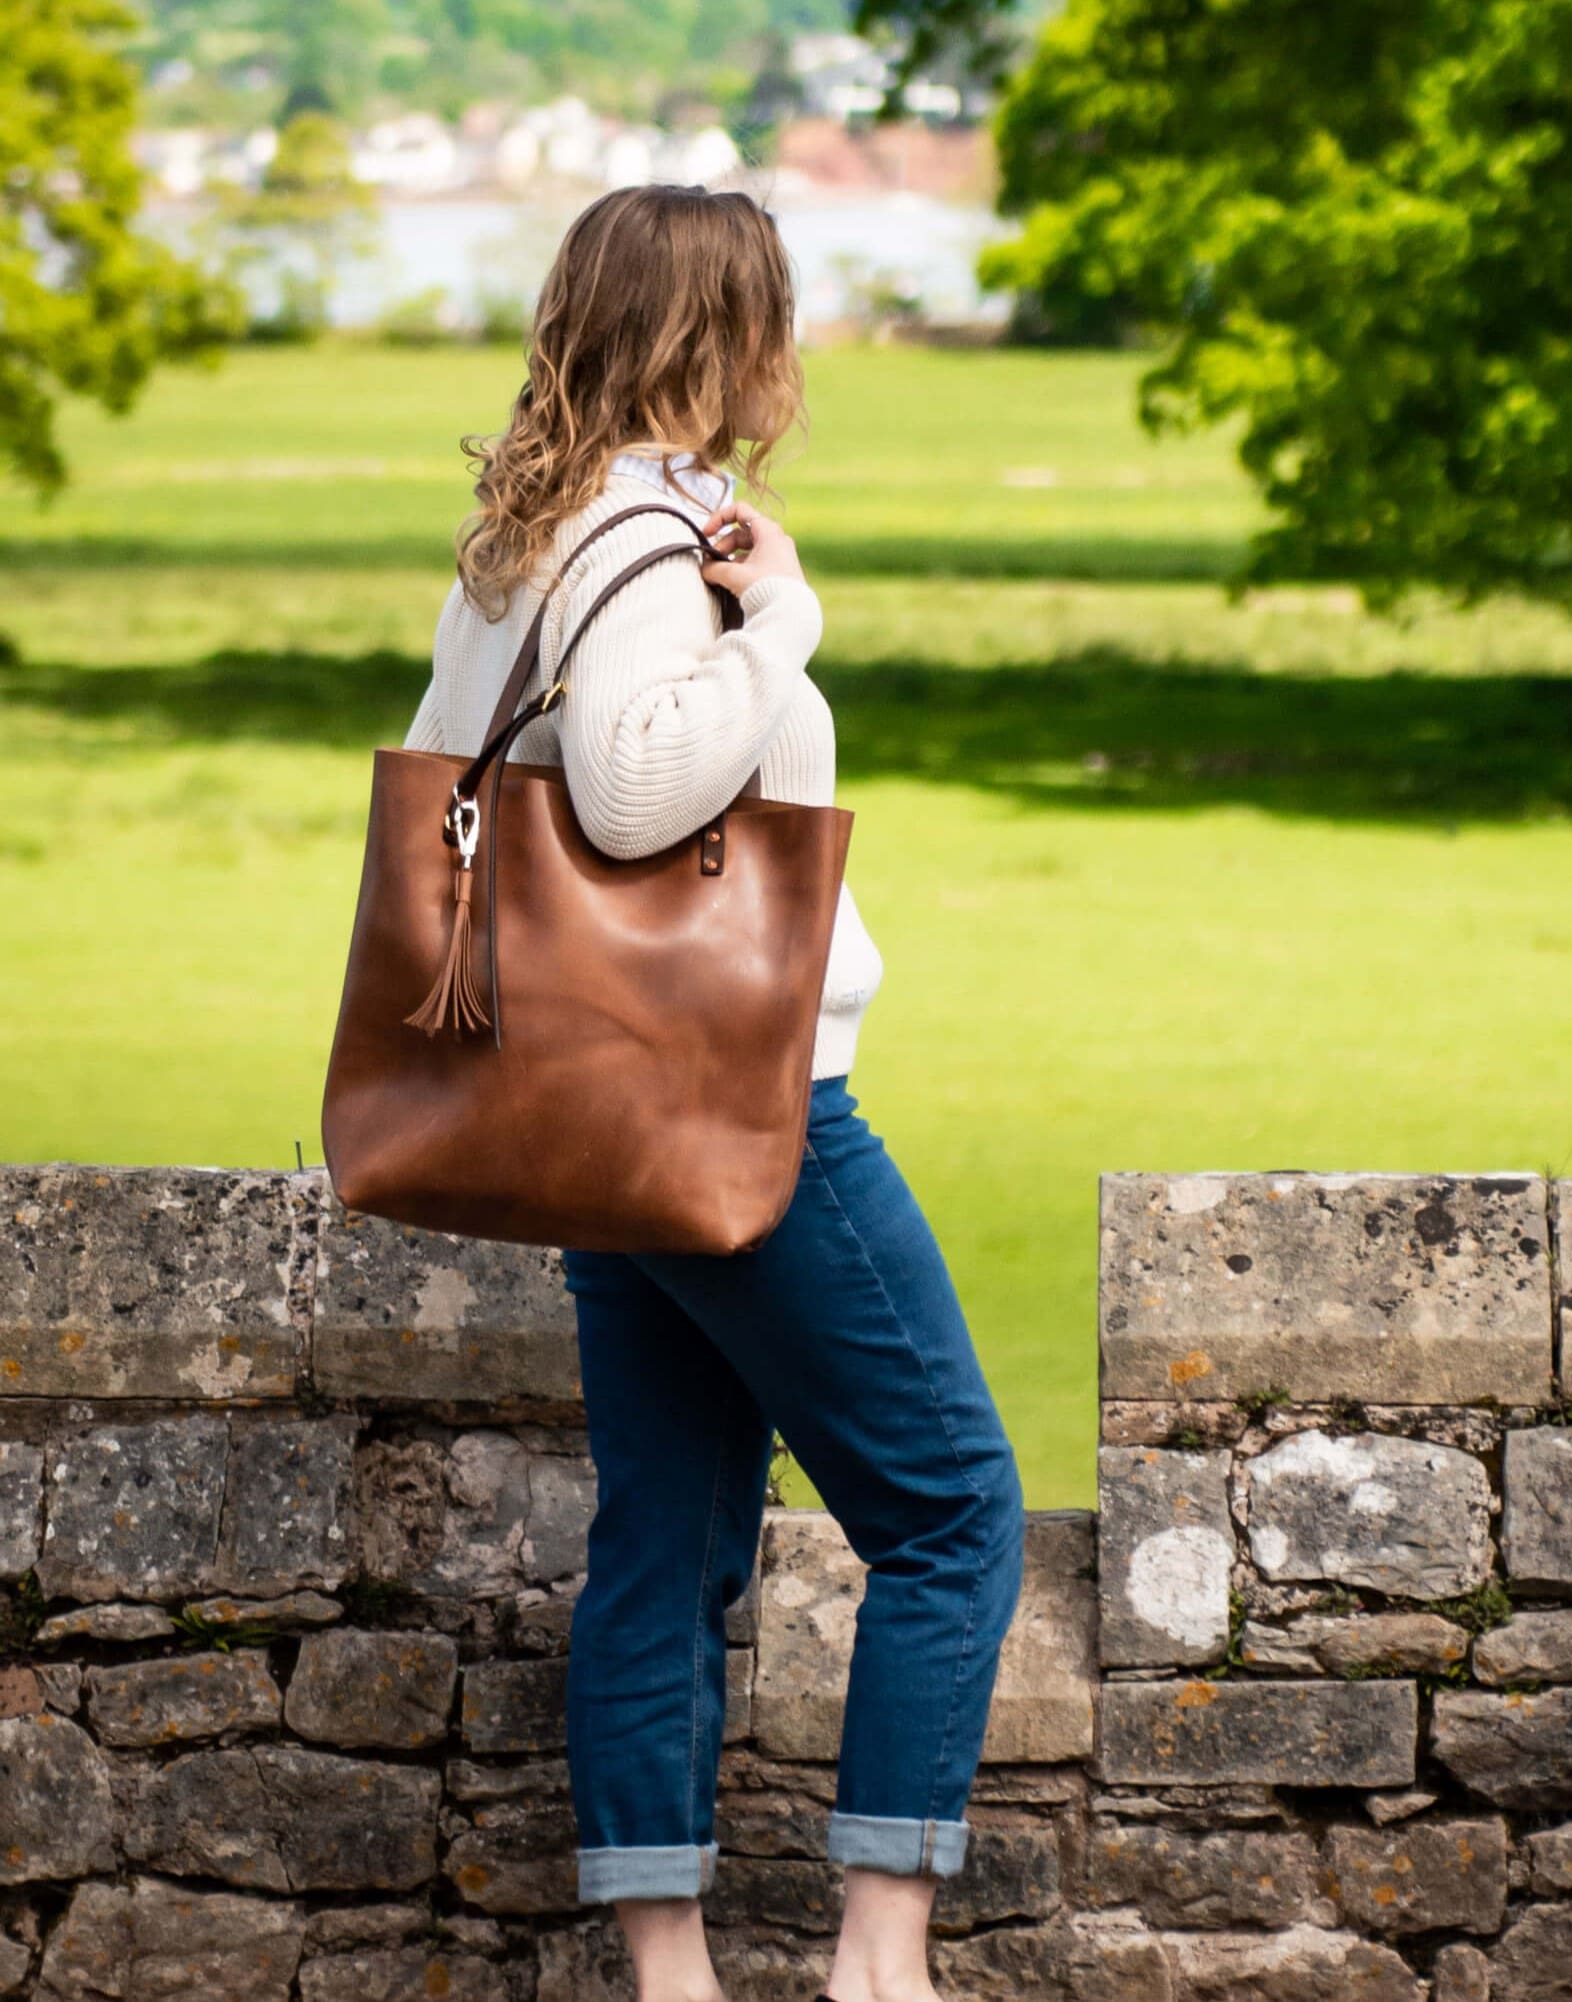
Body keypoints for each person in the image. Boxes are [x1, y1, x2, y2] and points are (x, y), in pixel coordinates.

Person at [401, 183, 1026, 2002]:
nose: (792, 353)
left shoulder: (520, 536)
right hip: (741, 1110)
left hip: (586, 1117)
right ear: (717, 334)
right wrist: (782, 629)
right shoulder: (665, 538)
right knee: (951, 1511)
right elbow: (628, 785)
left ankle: (670, 1973)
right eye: (773, 315)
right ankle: (879, 1964)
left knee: (664, 1542)